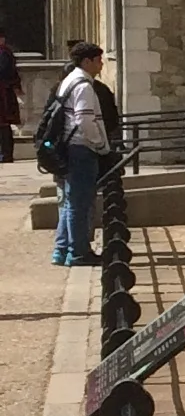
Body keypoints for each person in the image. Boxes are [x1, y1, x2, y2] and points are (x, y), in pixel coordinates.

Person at [45, 40, 114, 268]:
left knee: (69, 201)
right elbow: (84, 119)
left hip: (69, 147)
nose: (101, 64)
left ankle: (62, 248)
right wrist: (99, 144)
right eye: (97, 60)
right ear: (87, 61)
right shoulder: (83, 85)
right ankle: (79, 252)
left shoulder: (68, 81)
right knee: (79, 202)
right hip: (81, 148)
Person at [0, 28, 19, 166]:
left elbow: (6, 71)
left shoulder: (4, 53)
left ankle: (6, 154)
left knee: (4, 126)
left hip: (3, 94)